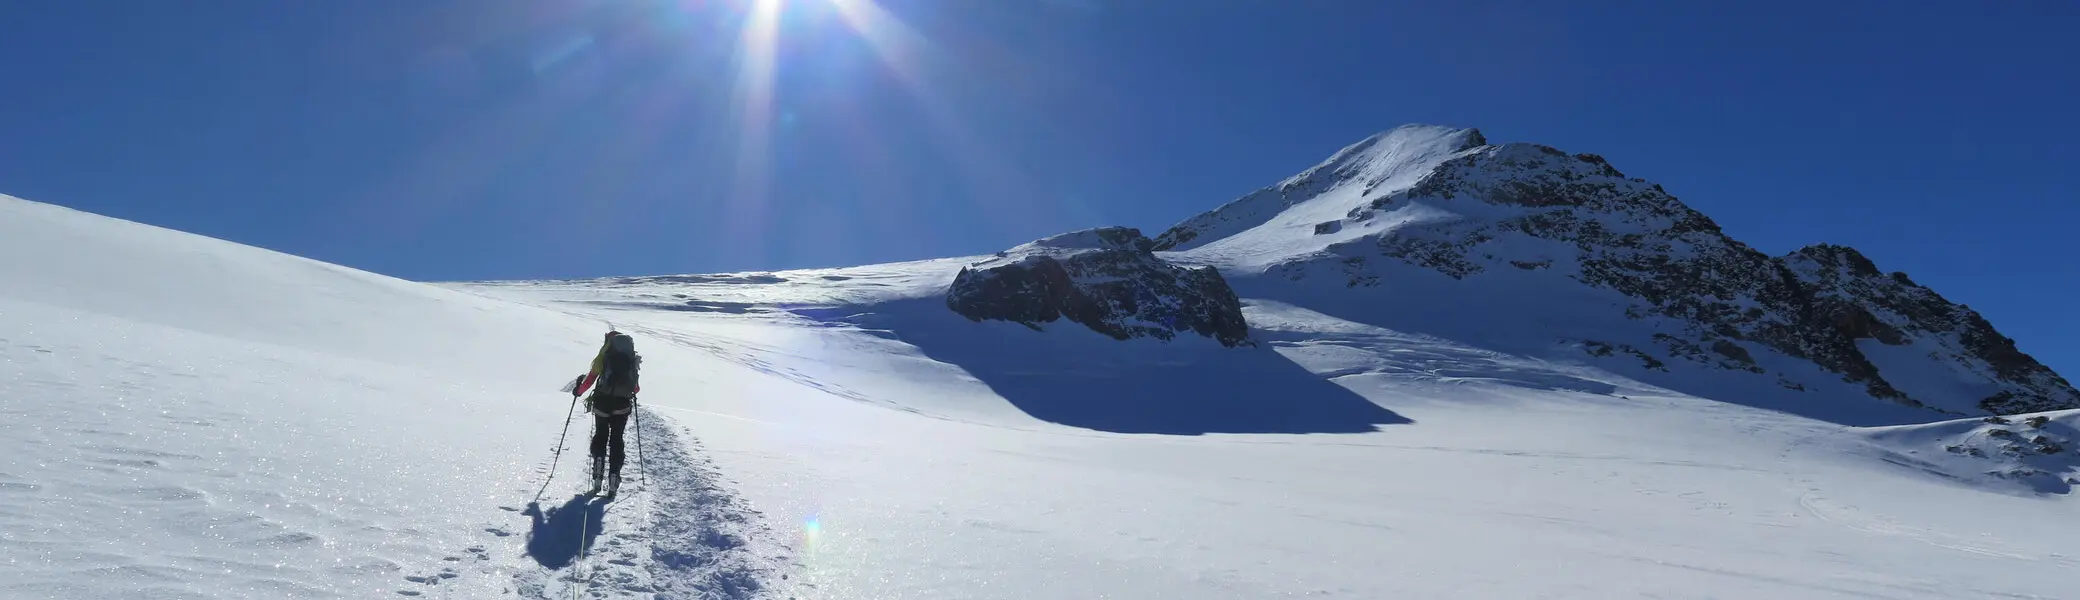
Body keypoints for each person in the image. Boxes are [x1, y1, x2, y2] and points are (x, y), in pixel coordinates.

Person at [573, 330, 641, 495]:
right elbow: (636, 388)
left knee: (601, 436)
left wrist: (578, 391)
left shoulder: (603, 356)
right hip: (622, 405)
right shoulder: (631, 358)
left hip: (602, 403)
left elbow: (591, 378)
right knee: (617, 439)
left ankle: (597, 470)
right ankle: (614, 477)